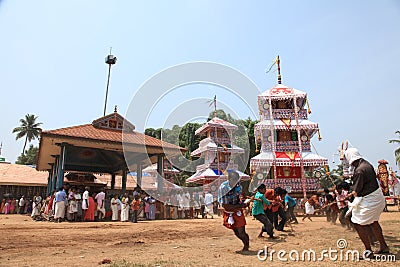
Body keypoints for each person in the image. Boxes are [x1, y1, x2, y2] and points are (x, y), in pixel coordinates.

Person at [344, 148, 389, 256]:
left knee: (357, 223)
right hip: (377, 197)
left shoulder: (359, 170)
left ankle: (368, 250)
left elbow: (356, 190)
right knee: (373, 222)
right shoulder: (367, 164)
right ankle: (384, 246)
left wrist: (348, 196)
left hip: (370, 199)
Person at [218, 171, 249, 252]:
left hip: (237, 210)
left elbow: (240, 196)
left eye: (237, 180)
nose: (235, 182)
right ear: (229, 179)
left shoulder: (238, 185)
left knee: (241, 231)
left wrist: (243, 202)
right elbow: (226, 206)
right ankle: (246, 242)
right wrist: (241, 206)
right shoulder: (223, 188)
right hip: (229, 211)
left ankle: (246, 245)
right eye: (234, 180)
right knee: (236, 232)